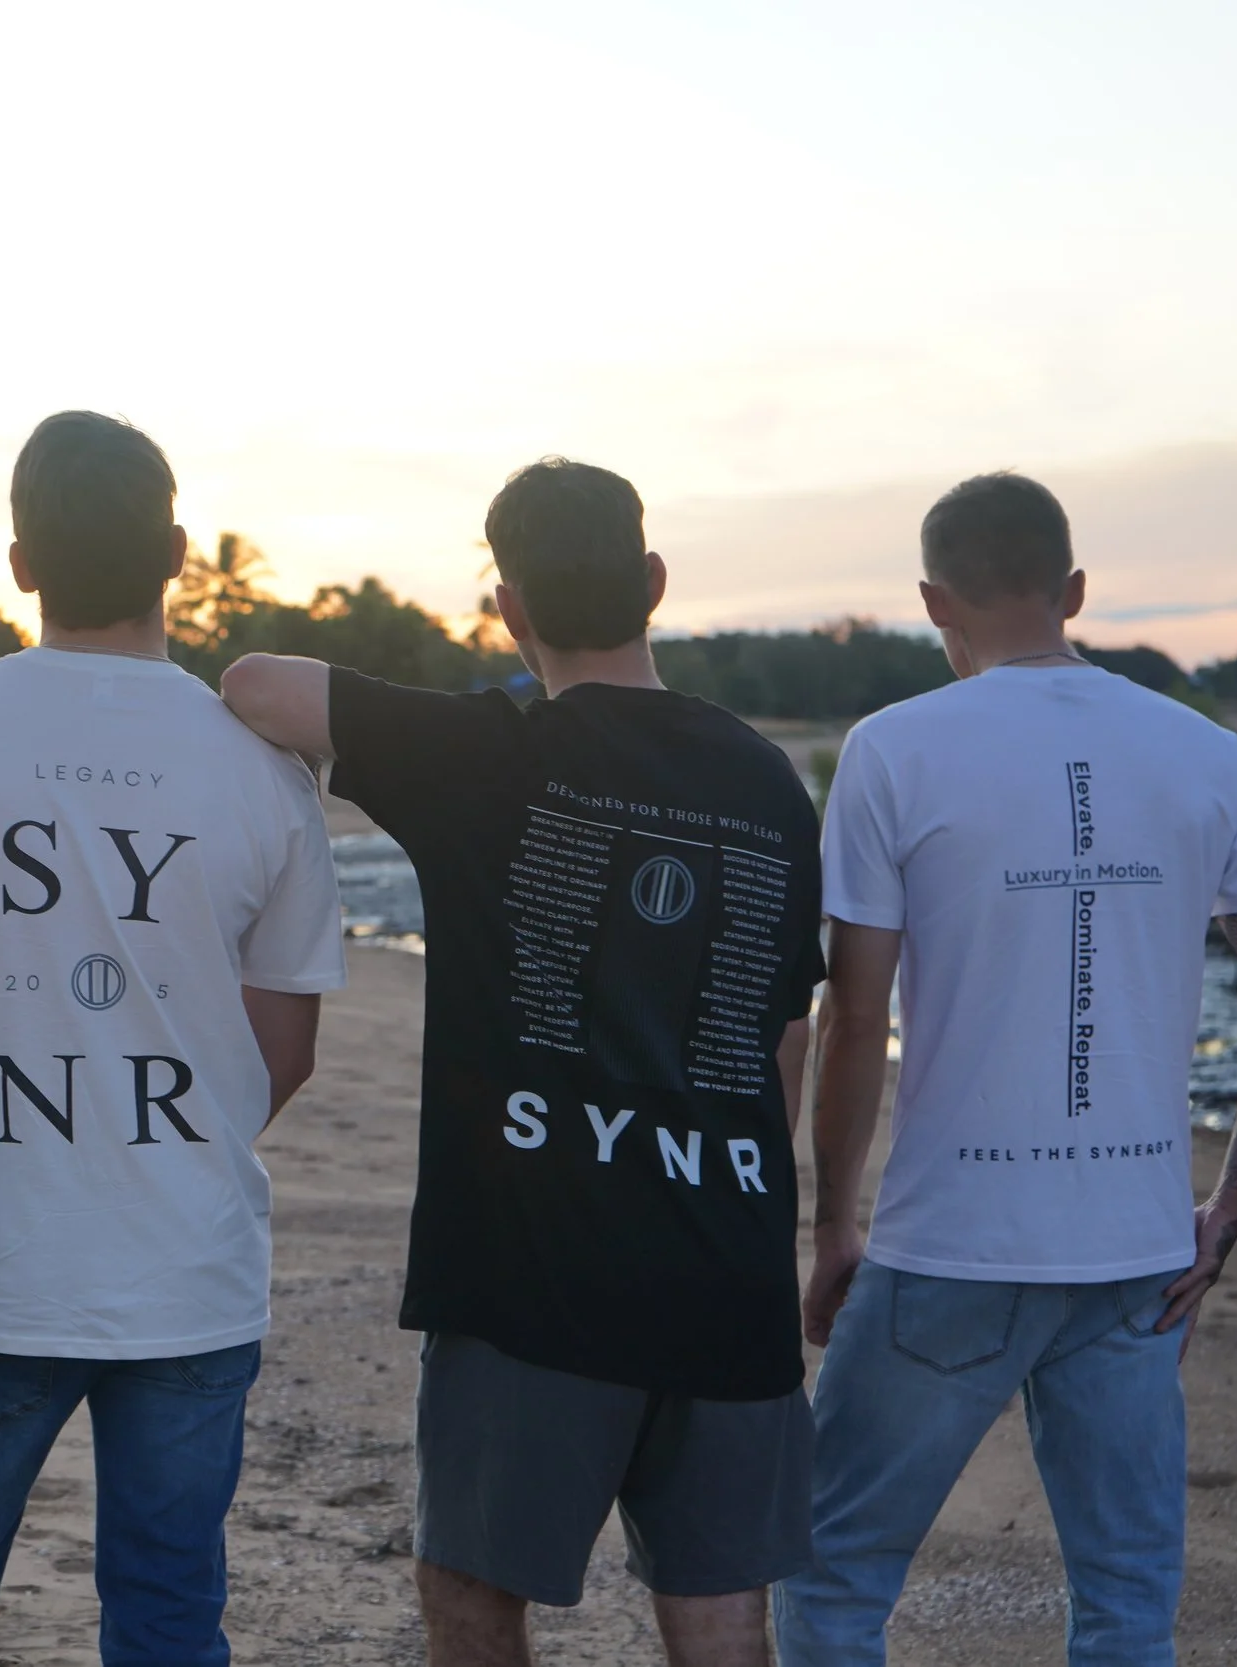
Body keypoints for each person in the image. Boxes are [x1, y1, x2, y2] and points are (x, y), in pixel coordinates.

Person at [221, 457, 826, 1667]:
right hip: (730, 1263)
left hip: (535, 1264)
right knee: (721, 1615)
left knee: (471, 1590)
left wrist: (479, 701)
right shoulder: (766, 777)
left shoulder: (483, 754)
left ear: (508, 608)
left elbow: (253, 684)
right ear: (654, 582)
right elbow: (782, 1037)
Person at [773, 473, 1237, 1666]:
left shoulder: (890, 751)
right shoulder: (1199, 749)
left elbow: (853, 1012)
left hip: (951, 1247)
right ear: (1075, 590)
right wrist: (1226, 1203)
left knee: (831, 1576)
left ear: (933, 599)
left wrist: (833, 1223)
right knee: (1126, 1601)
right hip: (1136, 1252)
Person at [0, 410, 346, 1666]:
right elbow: (285, 1046)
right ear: (177, 551)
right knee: (168, 1624)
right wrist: (164, 1143)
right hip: (187, 1268)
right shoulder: (264, 770)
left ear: (18, 561)